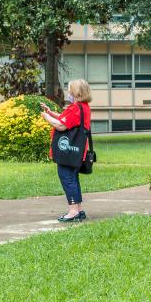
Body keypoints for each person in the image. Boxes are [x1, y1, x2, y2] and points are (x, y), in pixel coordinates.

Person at [41, 79, 93, 223]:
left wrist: (46, 118)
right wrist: (51, 113)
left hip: (68, 151)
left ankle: (73, 211)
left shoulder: (75, 108)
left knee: (67, 178)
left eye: (70, 91)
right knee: (73, 178)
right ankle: (78, 209)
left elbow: (62, 126)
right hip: (77, 150)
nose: (68, 93)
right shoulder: (84, 107)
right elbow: (68, 119)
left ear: (77, 93)